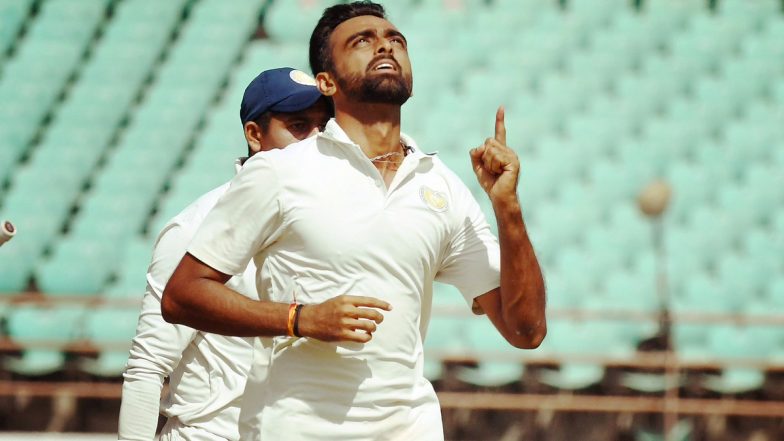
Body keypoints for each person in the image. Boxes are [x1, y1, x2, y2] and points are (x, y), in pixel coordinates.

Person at [162, 2, 546, 439]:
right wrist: (300, 319)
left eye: (395, 39)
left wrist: (508, 209)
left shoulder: (442, 187)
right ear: (326, 82)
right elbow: (181, 296)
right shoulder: (279, 172)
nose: (384, 44)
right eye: (361, 41)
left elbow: (525, 330)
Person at [118, 67, 333, 441]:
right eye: (299, 126)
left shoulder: (331, 222)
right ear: (254, 135)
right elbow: (148, 367)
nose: (315, 140)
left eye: (323, 126)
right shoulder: (194, 228)